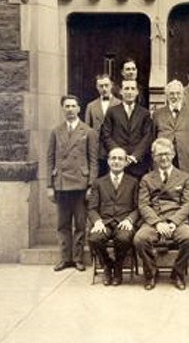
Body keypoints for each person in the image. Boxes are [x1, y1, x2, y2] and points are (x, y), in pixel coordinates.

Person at [134, 138, 189, 291]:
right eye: (159, 155)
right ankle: (151, 272)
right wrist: (157, 223)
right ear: (154, 157)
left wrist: (173, 223)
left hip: (177, 221)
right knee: (139, 239)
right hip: (154, 221)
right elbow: (143, 204)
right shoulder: (147, 178)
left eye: (167, 154)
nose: (163, 158)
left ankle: (178, 272)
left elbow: (187, 204)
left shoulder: (184, 177)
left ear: (174, 154)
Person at [47, 95, 98, 272]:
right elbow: (50, 159)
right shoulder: (56, 131)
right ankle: (64, 258)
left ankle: (77, 258)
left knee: (80, 224)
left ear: (79, 109)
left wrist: (91, 185)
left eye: (73, 106)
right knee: (63, 224)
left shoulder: (88, 131)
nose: (70, 109)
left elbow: (93, 160)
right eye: (66, 106)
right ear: (63, 109)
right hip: (61, 183)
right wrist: (49, 186)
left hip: (80, 184)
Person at [87, 147, 139, 286]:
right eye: (113, 158)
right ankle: (107, 265)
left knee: (124, 238)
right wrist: (97, 222)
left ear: (125, 162)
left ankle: (118, 267)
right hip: (104, 221)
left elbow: (138, 208)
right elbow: (92, 208)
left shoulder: (133, 182)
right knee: (94, 239)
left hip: (123, 222)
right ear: (109, 161)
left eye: (120, 159)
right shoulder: (98, 183)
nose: (116, 161)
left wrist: (130, 220)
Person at [101, 79, 153, 180]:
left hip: (138, 165)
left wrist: (135, 156)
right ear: (121, 91)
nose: (129, 92)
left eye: (132, 89)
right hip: (117, 164)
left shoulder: (144, 113)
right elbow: (105, 134)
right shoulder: (112, 111)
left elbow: (147, 137)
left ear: (137, 92)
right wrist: (120, 154)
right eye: (126, 89)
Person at [152, 80, 189, 176]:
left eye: (178, 93)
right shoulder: (158, 114)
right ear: (167, 96)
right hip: (164, 158)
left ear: (182, 95)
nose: (175, 97)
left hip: (185, 159)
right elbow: (153, 136)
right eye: (171, 94)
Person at [85, 74, 121, 176]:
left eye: (106, 85)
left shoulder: (120, 104)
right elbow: (88, 129)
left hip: (115, 147)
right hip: (97, 149)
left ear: (111, 85)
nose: (104, 89)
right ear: (97, 87)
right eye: (101, 86)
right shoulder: (91, 106)